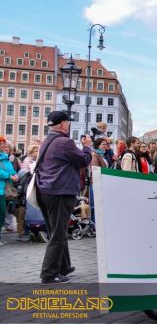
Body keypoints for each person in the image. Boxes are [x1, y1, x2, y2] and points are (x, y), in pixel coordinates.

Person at [36, 111, 93, 284]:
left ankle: (64, 267)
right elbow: (83, 160)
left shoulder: (48, 140)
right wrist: (87, 146)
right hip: (59, 192)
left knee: (56, 231)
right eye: (68, 122)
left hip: (46, 190)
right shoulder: (64, 141)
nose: (69, 125)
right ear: (62, 124)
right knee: (58, 234)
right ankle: (49, 274)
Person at [0, 141, 19, 246]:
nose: (4, 146)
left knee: (2, 213)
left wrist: (15, 175)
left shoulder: (5, 157)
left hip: (5, 190)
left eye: (5, 145)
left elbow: (11, 170)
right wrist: (9, 176)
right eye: (2, 144)